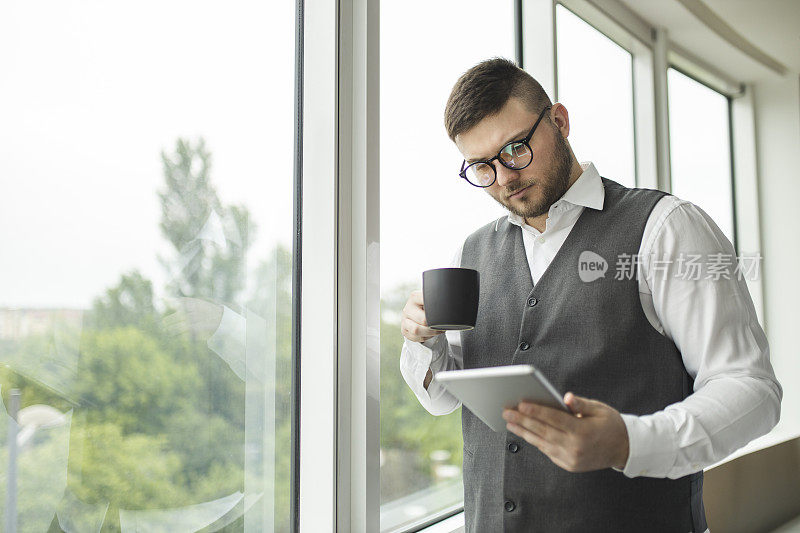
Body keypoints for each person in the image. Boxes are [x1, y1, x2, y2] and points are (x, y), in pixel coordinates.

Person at [399, 58, 782, 532]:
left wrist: (629, 442)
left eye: (516, 149)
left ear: (558, 122)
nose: (504, 178)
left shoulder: (667, 228)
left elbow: (752, 390)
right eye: (482, 166)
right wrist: (424, 341)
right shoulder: (471, 251)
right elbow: (442, 398)